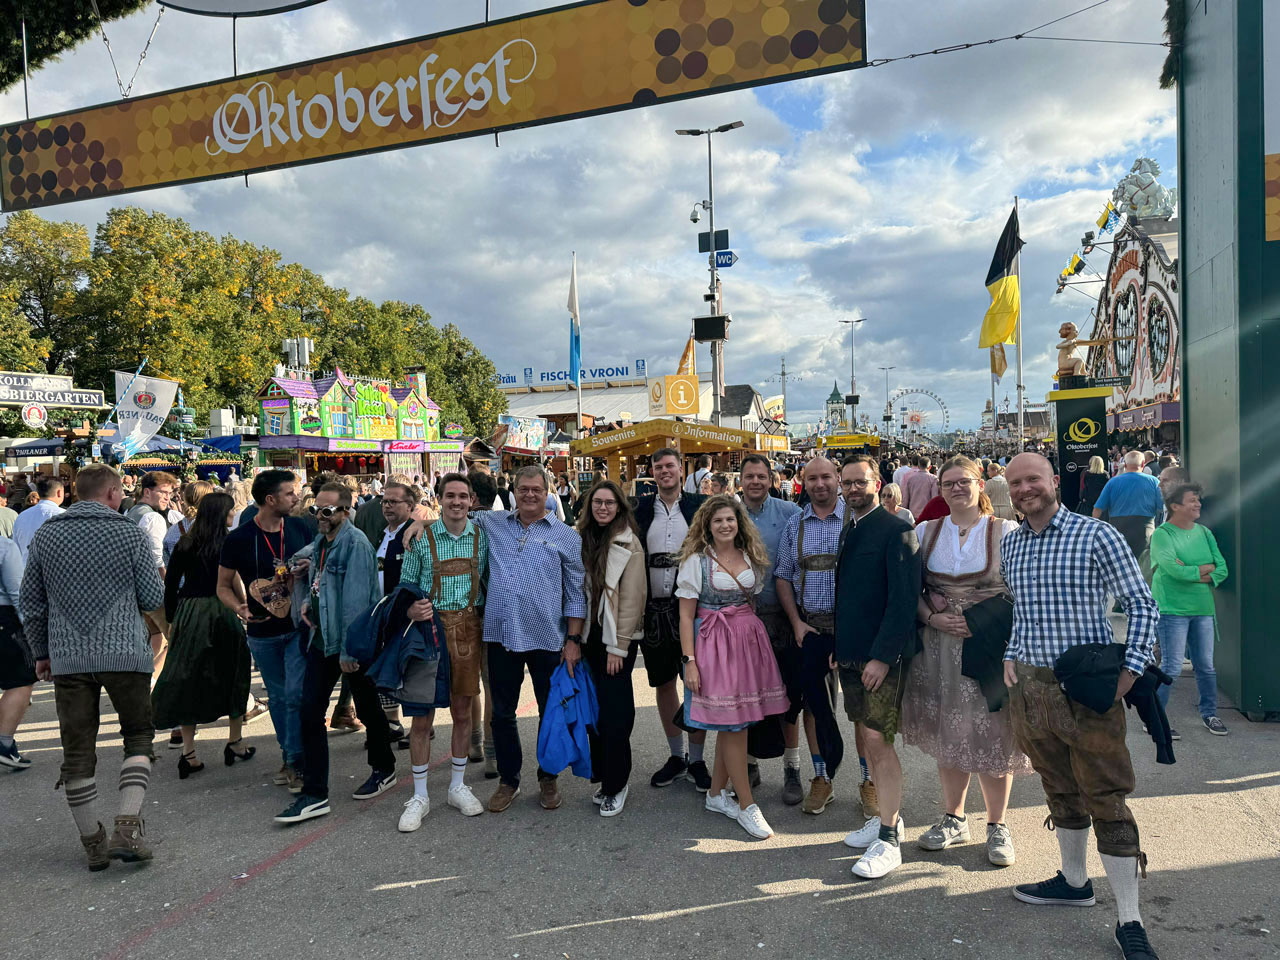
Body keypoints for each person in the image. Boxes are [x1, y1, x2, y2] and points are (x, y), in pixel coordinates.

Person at [1001, 453, 1161, 960]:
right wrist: (1010, 654)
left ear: (1054, 481)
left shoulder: (1096, 536)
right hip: (1030, 689)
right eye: (1016, 482)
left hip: (1087, 689)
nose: (1026, 489)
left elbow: (1142, 604)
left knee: (1107, 797)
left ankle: (1129, 919)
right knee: (1059, 788)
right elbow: (1020, 610)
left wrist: (1131, 671)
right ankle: (1074, 882)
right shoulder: (1013, 544)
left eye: (1033, 479)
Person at [19, 465, 166, 869]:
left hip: (68, 657)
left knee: (77, 750)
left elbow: (31, 603)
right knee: (138, 735)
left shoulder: (48, 535)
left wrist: (41, 652)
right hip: (126, 655)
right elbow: (152, 594)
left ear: (75, 493)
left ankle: (93, 843)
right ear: (113, 492)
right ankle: (128, 825)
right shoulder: (128, 532)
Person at [901, 456, 1031, 868]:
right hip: (938, 646)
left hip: (988, 646)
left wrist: (981, 622)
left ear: (981, 485)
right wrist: (932, 616)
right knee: (949, 730)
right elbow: (911, 590)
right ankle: (955, 816)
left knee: (994, 731)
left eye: (964, 481)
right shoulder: (925, 531)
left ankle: (998, 824)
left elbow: (1022, 591)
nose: (957, 488)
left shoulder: (1005, 531)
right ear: (940, 488)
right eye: (949, 482)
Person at [453, 465, 586, 813]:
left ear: (547, 493)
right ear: (513, 492)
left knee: (549, 713)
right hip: (502, 636)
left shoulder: (567, 537)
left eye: (536, 490)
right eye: (523, 489)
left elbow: (576, 594)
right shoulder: (493, 524)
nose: (529, 495)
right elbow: (455, 520)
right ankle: (508, 780)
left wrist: (573, 640)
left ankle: (548, 777)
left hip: (548, 638)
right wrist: (419, 525)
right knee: (503, 714)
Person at [274, 482, 393, 824]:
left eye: (327, 511)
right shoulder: (322, 542)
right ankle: (315, 792)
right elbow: (318, 578)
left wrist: (347, 650)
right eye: (315, 509)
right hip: (322, 640)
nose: (320, 516)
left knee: (369, 709)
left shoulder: (353, 544)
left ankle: (383, 768)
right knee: (310, 711)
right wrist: (309, 598)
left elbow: (356, 604)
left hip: (347, 644)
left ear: (345, 511)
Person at [676, 495, 788, 839]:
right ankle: (746, 804)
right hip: (714, 644)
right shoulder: (697, 561)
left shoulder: (749, 556)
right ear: (707, 528)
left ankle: (715, 795)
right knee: (734, 724)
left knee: (735, 722)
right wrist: (690, 661)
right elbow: (685, 614)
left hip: (748, 641)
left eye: (730, 519)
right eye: (717, 521)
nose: (725, 525)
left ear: (739, 523)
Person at [833, 454, 922, 880]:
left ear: (877, 482)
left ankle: (889, 836)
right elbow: (849, 595)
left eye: (859, 482)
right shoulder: (850, 528)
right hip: (852, 653)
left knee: (878, 739)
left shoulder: (897, 529)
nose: (852, 488)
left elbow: (904, 602)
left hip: (881, 658)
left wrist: (883, 658)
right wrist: (841, 647)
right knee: (867, 738)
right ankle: (888, 817)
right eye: (846, 482)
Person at [396, 473, 490, 828]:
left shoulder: (483, 537)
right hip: (427, 631)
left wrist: (421, 517)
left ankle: (457, 786)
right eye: (450, 496)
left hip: (467, 628)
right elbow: (403, 589)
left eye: (463, 496)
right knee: (422, 718)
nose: (457, 502)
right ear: (439, 498)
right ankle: (419, 794)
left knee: (463, 712)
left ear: (472, 501)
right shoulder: (420, 538)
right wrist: (408, 610)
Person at [218, 470, 311, 794]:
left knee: (295, 696)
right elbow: (222, 586)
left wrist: (308, 569)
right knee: (282, 697)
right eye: (289, 493)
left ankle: (297, 761)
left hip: (299, 629)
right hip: (262, 634)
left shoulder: (302, 528)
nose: (296, 498)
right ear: (270, 500)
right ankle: (291, 759)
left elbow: (326, 560)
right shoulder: (240, 538)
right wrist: (239, 608)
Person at [152, 492, 255, 779]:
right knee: (234, 672)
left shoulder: (185, 542)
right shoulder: (228, 543)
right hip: (221, 611)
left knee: (188, 677)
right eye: (231, 510)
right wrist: (244, 608)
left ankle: (189, 753)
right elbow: (236, 583)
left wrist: (172, 620)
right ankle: (235, 741)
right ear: (222, 514)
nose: (233, 514)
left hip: (189, 612)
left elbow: (170, 584)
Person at [633, 448, 710, 791]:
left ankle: (697, 760)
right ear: (652, 471)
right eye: (658, 466)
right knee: (663, 682)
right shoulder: (639, 507)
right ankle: (676, 756)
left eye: (670, 466)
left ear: (681, 469)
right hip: (654, 608)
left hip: (692, 608)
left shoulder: (698, 506)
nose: (664, 471)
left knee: (696, 684)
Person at [774, 456, 846, 815]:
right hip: (810, 627)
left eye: (826, 477)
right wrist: (796, 622)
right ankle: (822, 777)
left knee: (864, 712)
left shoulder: (856, 520)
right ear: (803, 481)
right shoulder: (795, 524)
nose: (820, 484)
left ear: (838, 479)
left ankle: (868, 780)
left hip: (850, 628)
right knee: (815, 706)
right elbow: (783, 576)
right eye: (812, 478)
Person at [575, 479, 646, 817]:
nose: (603, 507)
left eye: (609, 502)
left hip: (614, 639)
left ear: (620, 506)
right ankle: (605, 779)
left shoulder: (629, 543)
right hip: (588, 636)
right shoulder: (582, 538)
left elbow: (633, 599)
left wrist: (619, 648)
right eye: (597, 502)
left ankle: (618, 783)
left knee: (616, 714)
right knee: (595, 713)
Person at [738, 454, 803, 805]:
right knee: (746, 696)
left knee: (789, 699)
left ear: (772, 479)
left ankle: (792, 769)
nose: (755, 482)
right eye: (749, 476)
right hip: (741, 621)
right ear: (741, 480)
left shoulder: (790, 514)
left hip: (781, 617)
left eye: (761, 476)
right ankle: (747, 763)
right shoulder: (729, 512)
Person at [1150, 482, 1229, 737]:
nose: (1198, 504)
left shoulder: (1204, 532)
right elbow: (1173, 570)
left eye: (1198, 500)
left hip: (1203, 608)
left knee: (1206, 665)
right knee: (1172, 667)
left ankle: (1210, 713)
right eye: (1192, 500)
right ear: (1175, 506)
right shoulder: (1163, 534)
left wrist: (1195, 572)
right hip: (1172, 608)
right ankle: (1155, 717)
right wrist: (1205, 568)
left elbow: (1222, 568)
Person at [126, 471, 179, 679]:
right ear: (147, 491)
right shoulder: (152, 517)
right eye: (163, 492)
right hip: (154, 590)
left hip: (134, 589)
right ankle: (151, 680)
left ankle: (146, 678)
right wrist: (171, 589)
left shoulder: (131, 512)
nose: (168, 497)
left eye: (170, 493)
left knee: (155, 637)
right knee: (177, 639)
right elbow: (157, 561)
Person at [0, 533, 33, 769]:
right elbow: (18, 592)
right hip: (4, 619)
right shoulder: (4, 546)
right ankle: (3, 743)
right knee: (20, 681)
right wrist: (32, 630)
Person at [1092, 451, 1164, 560]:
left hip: (1118, 527)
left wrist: (1093, 530)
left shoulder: (1113, 482)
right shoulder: (1154, 482)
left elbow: (1098, 509)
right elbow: (1162, 507)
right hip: (1145, 527)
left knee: (1120, 560)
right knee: (1144, 562)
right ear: (1143, 464)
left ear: (1125, 465)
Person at [11, 475, 64, 560]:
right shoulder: (63, 516)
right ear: (59, 493)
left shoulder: (21, 516)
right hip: (55, 570)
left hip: (26, 568)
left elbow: (16, 549)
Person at [163, 480, 214, 565]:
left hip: (179, 577)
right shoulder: (212, 528)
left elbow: (167, 561)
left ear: (185, 498)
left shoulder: (172, 530)